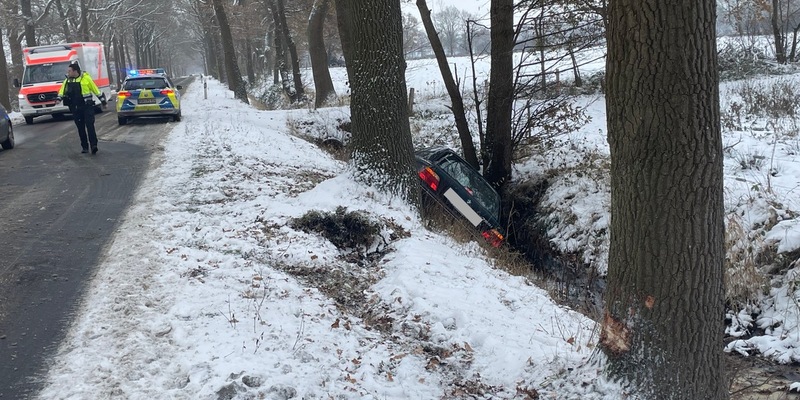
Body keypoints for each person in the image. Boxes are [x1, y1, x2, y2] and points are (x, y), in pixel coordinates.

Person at [57, 62, 107, 154]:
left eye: (69, 71)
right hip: (75, 108)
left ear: (75, 71)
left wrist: (103, 101)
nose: (68, 73)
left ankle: (93, 145)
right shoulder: (67, 81)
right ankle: (84, 147)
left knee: (90, 126)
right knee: (80, 128)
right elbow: (62, 91)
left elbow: (95, 89)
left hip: (87, 107)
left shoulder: (86, 79)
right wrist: (58, 99)